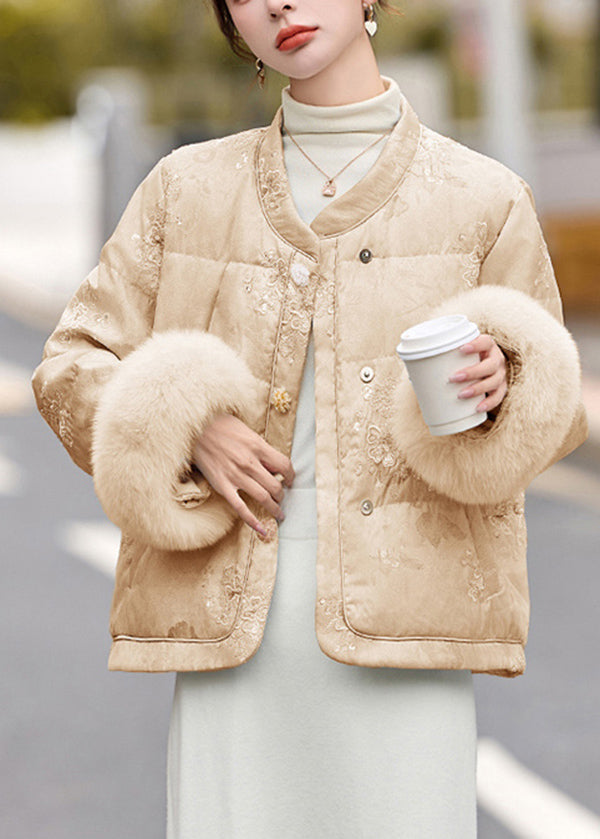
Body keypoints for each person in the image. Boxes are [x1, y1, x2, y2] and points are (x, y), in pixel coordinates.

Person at [31, 1, 588, 836]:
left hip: (407, 640)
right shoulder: (184, 190)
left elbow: (557, 404)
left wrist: (503, 388)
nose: (278, 4)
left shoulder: (483, 200)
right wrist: (182, 421)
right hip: (232, 639)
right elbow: (70, 363)